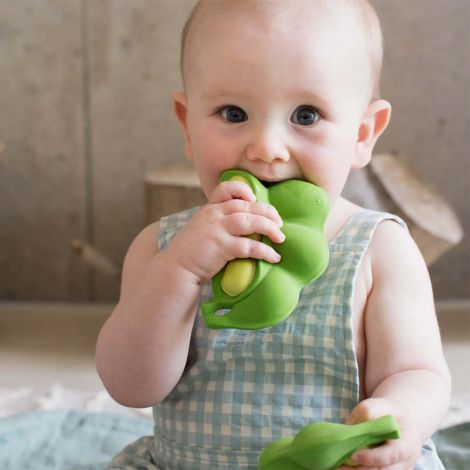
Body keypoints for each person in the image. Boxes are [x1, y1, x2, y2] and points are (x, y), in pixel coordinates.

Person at [96, 1, 451, 468]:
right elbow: (130, 385)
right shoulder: (162, 248)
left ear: (363, 133)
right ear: (187, 124)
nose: (266, 149)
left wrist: (398, 417)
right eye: (233, 113)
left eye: (306, 115)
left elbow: (418, 372)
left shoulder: (379, 249)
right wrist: (180, 271)